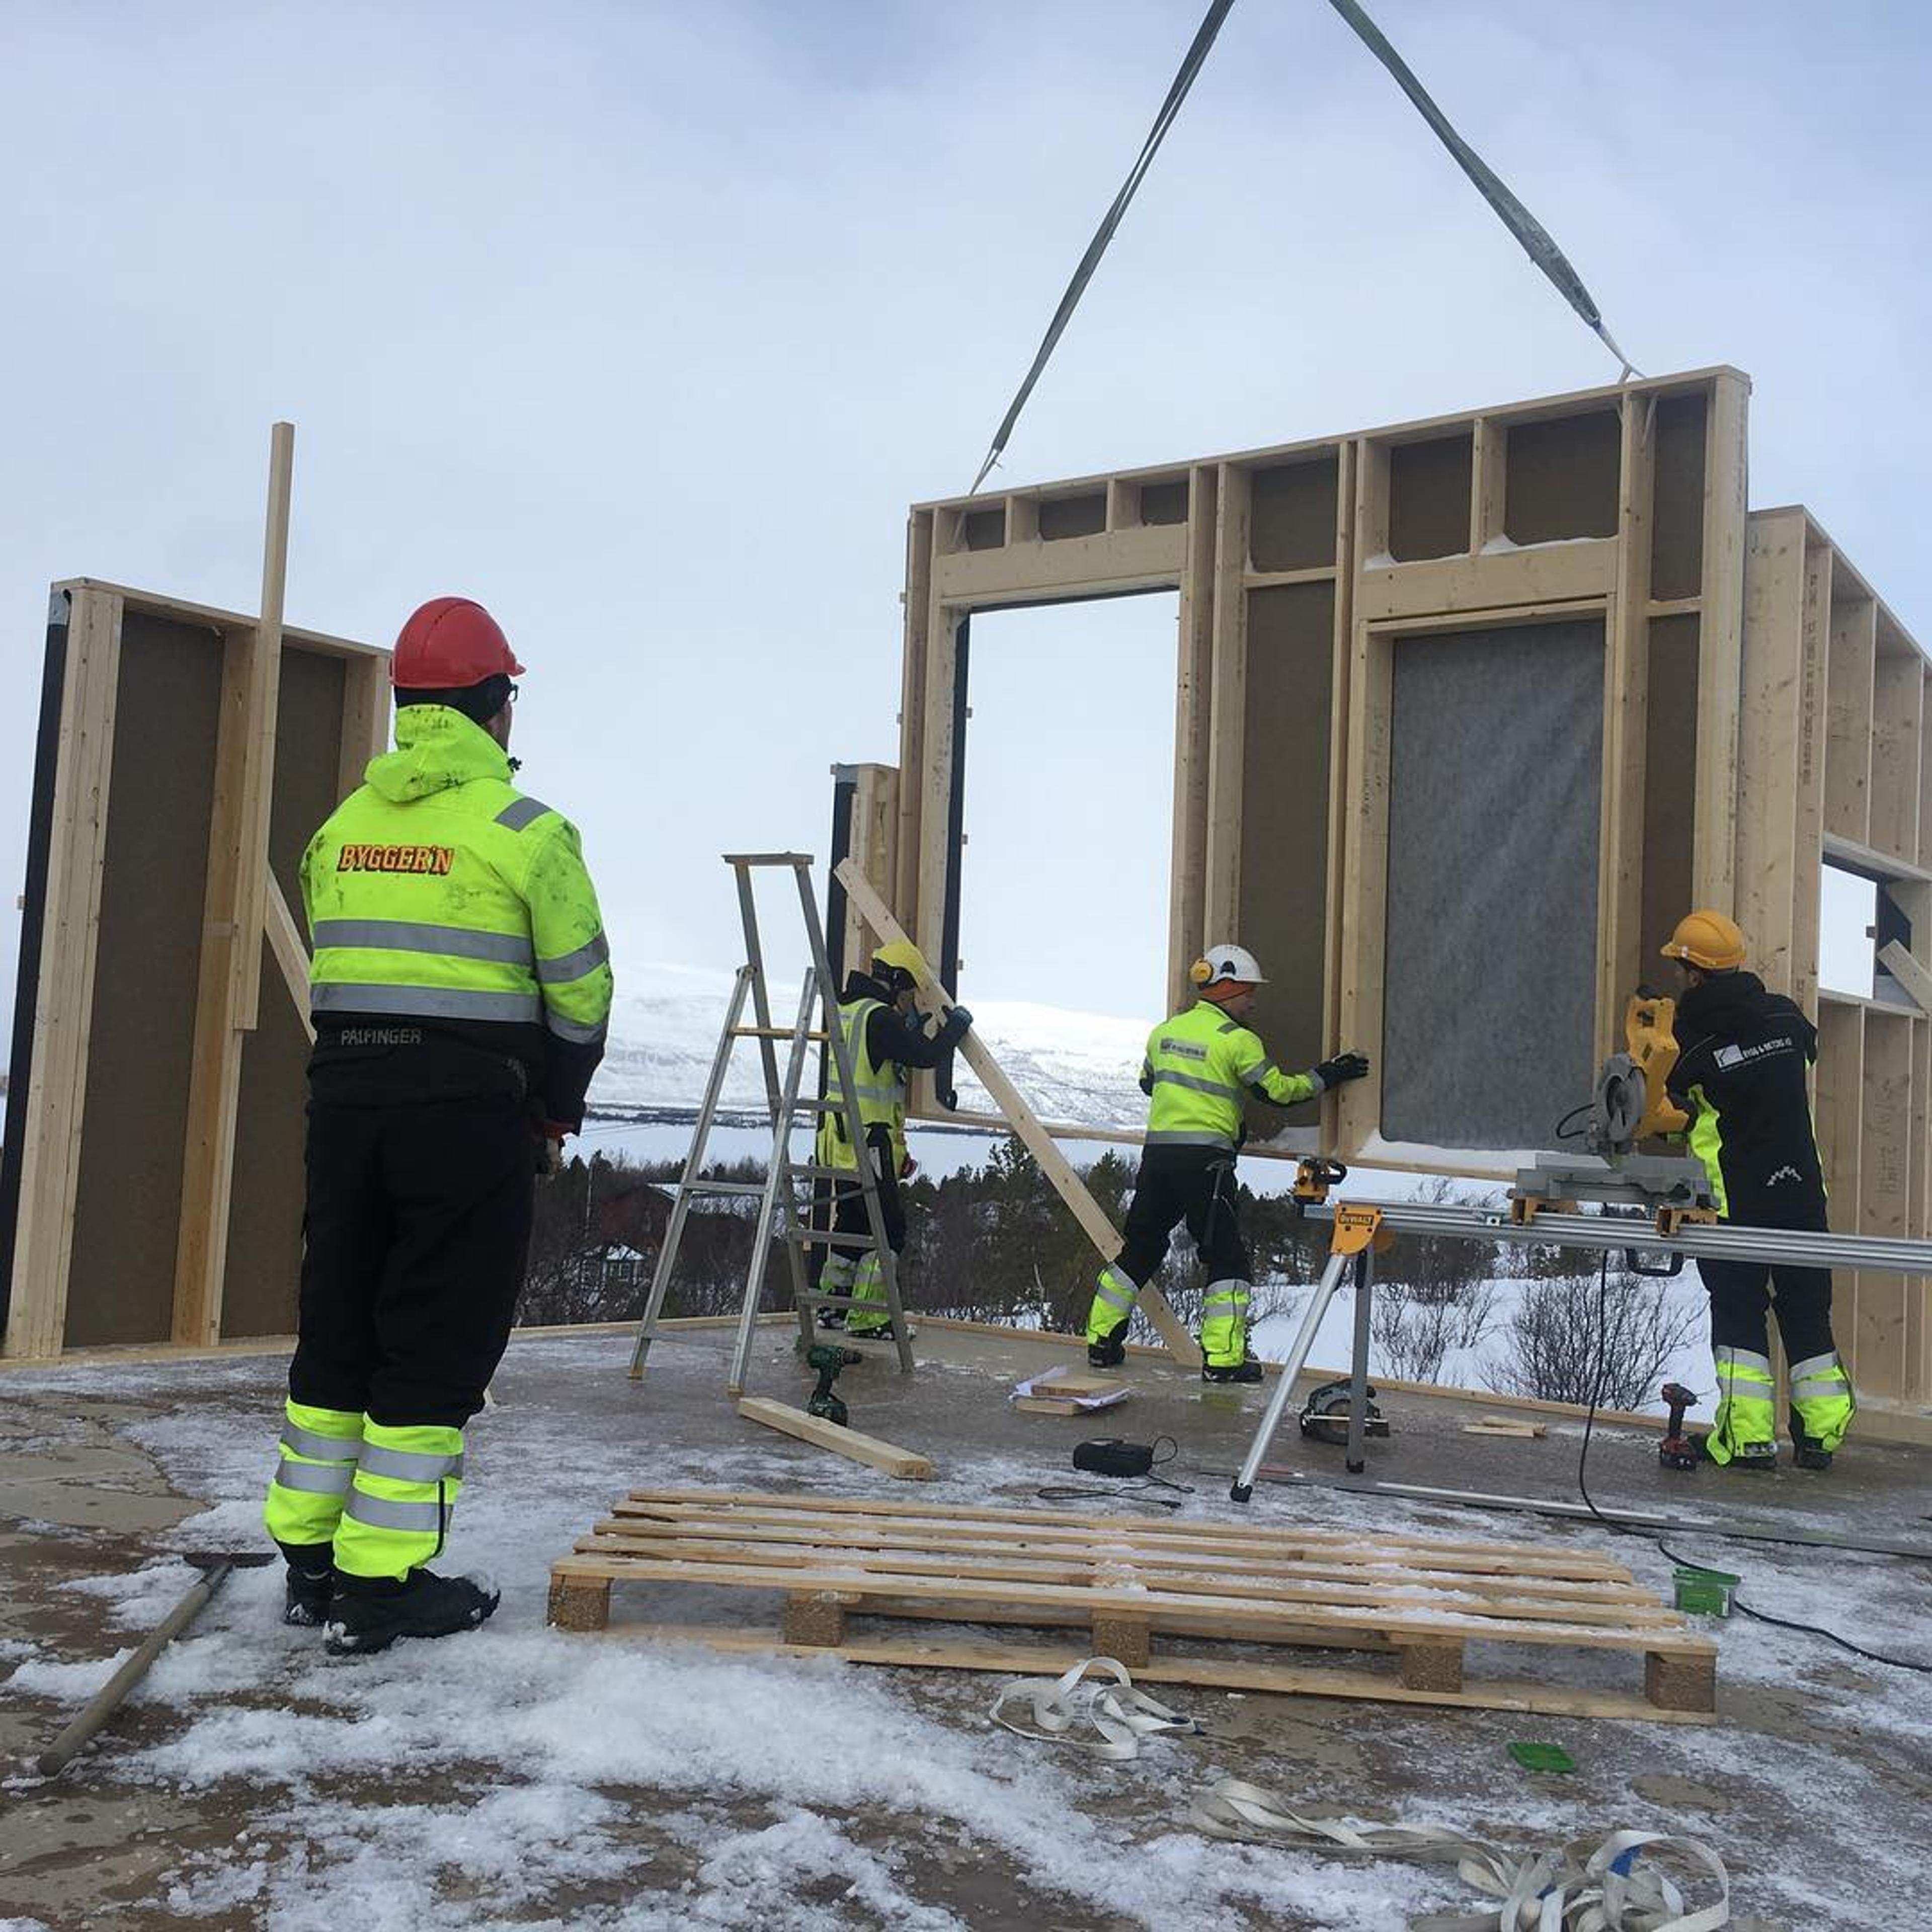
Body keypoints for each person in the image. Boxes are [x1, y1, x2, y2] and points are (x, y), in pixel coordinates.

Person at [262, 596, 613, 1652]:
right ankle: (382, 1581)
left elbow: (346, 972)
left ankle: (311, 1560)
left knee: (341, 1323)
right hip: (463, 1122)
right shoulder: (528, 834)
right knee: (436, 1336)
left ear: (409, 707)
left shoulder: (341, 831)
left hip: (346, 1106)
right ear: (495, 705)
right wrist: (555, 1103)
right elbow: (583, 994)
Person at [1086, 945, 1370, 1382]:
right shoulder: (1238, 1041)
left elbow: (1149, 1084)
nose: (1253, 1002)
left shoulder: (1164, 1033)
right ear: (1228, 988)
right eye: (1249, 993)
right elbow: (1278, 1092)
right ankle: (1222, 1361)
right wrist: (1329, 1075)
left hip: (1158, 1159)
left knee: (1140, 1248)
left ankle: (1101, 1342)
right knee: (1227, 1259)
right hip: (1206, 1164)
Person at [1661, 910, 1854, 1470]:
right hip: (1801, 1193)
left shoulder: (1687, 1045)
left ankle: (1747, 1441)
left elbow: (1668, 1108)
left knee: (1741, 1316)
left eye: (1681, 968)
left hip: (1734, 1205)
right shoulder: (1786, 1019)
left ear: (1694, 974)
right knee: (1808, 1313)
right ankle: (1821, 1437)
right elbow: (1807, 1051)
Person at [814, 941, 970, 1337]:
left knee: (851, 1221)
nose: (909, 1001)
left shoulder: (846, 1011)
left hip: (839, 1139)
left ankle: (835, 1307)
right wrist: (954, 1029)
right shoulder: (880, 1019)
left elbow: (876, 1061)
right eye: (908, 993)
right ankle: (869, 1318)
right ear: (897, 981)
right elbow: (925, 1056)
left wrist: (909, 1031)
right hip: (870, 1141)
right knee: (889, 1229)